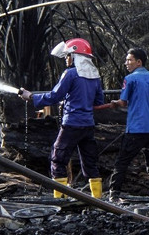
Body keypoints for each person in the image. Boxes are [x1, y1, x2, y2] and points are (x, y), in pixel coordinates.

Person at [19, 38, 105, 199]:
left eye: (68, 56)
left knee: (58, 158)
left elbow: (54, 95)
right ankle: (98, 200)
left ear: (75, 56)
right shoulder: (95, 76)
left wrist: (31, 97)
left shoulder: (70, 74)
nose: (66, 59)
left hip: (71, 124)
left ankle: (59, 198)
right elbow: (99, 101)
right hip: (87, 125)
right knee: (90, 162)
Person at [106, 48, 149, 200]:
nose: (126, 63)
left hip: (136, 128)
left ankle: (114, 192)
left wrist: (115, 103)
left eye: (129, 60)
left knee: (122, 160)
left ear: (138, 62)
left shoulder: (130, 79)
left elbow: (122, 102)